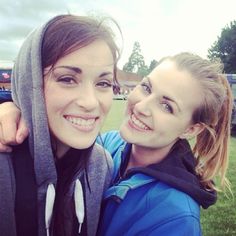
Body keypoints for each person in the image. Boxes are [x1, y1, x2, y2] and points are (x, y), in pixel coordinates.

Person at [0, 53, 233, 235]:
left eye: (166, 106)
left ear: (190, 129)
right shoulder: (109, 143)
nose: (141, 106)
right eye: (147, 88)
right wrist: (16, 110)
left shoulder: (175, 217)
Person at [0, 14, 122, 236]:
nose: (90, 102)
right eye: (67, 79)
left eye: (103, 83)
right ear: (31, 83)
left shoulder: (102, 165)